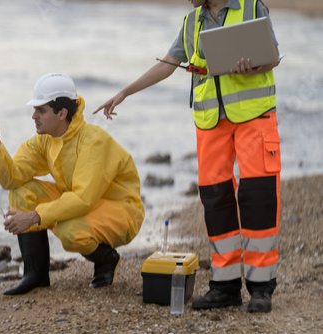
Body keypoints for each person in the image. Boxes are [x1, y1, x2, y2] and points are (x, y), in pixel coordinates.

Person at [95, 0, 281, 313]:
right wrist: (124, 92)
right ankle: (225, 287)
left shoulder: (252, 7)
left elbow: (272, 56)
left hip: (255, 117)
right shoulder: (192, 21)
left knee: (258, 198)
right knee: (215, 201)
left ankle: (261, 288)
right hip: (210, 124)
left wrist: (255, 65)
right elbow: (167, 64)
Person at [0, 72, 145, 296]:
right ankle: (35, 275)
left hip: (121, 209)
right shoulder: (45, 139)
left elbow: (82, 199)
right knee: (21, 192)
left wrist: (34, 216)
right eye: (35, 109)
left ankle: (107, 258)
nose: (33, 116)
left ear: (62, 113)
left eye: (41, 110)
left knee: (70, 231)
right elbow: (12, 179)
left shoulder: (94, 141)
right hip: (82, 202)